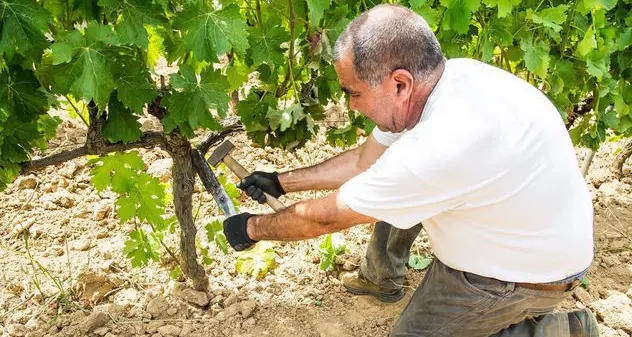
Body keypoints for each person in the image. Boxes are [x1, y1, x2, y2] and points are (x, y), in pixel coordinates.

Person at [223, 4, 599, 336]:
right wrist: (280, 182)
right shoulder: (453, 78)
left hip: (519, 279)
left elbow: (327, 218)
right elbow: (362, 161)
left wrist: (252, 228)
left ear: (399, 83)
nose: (351, 106)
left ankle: (553, 332)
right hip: (538, 243)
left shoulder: (439, 146)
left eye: (353, 92)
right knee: (393, 193)